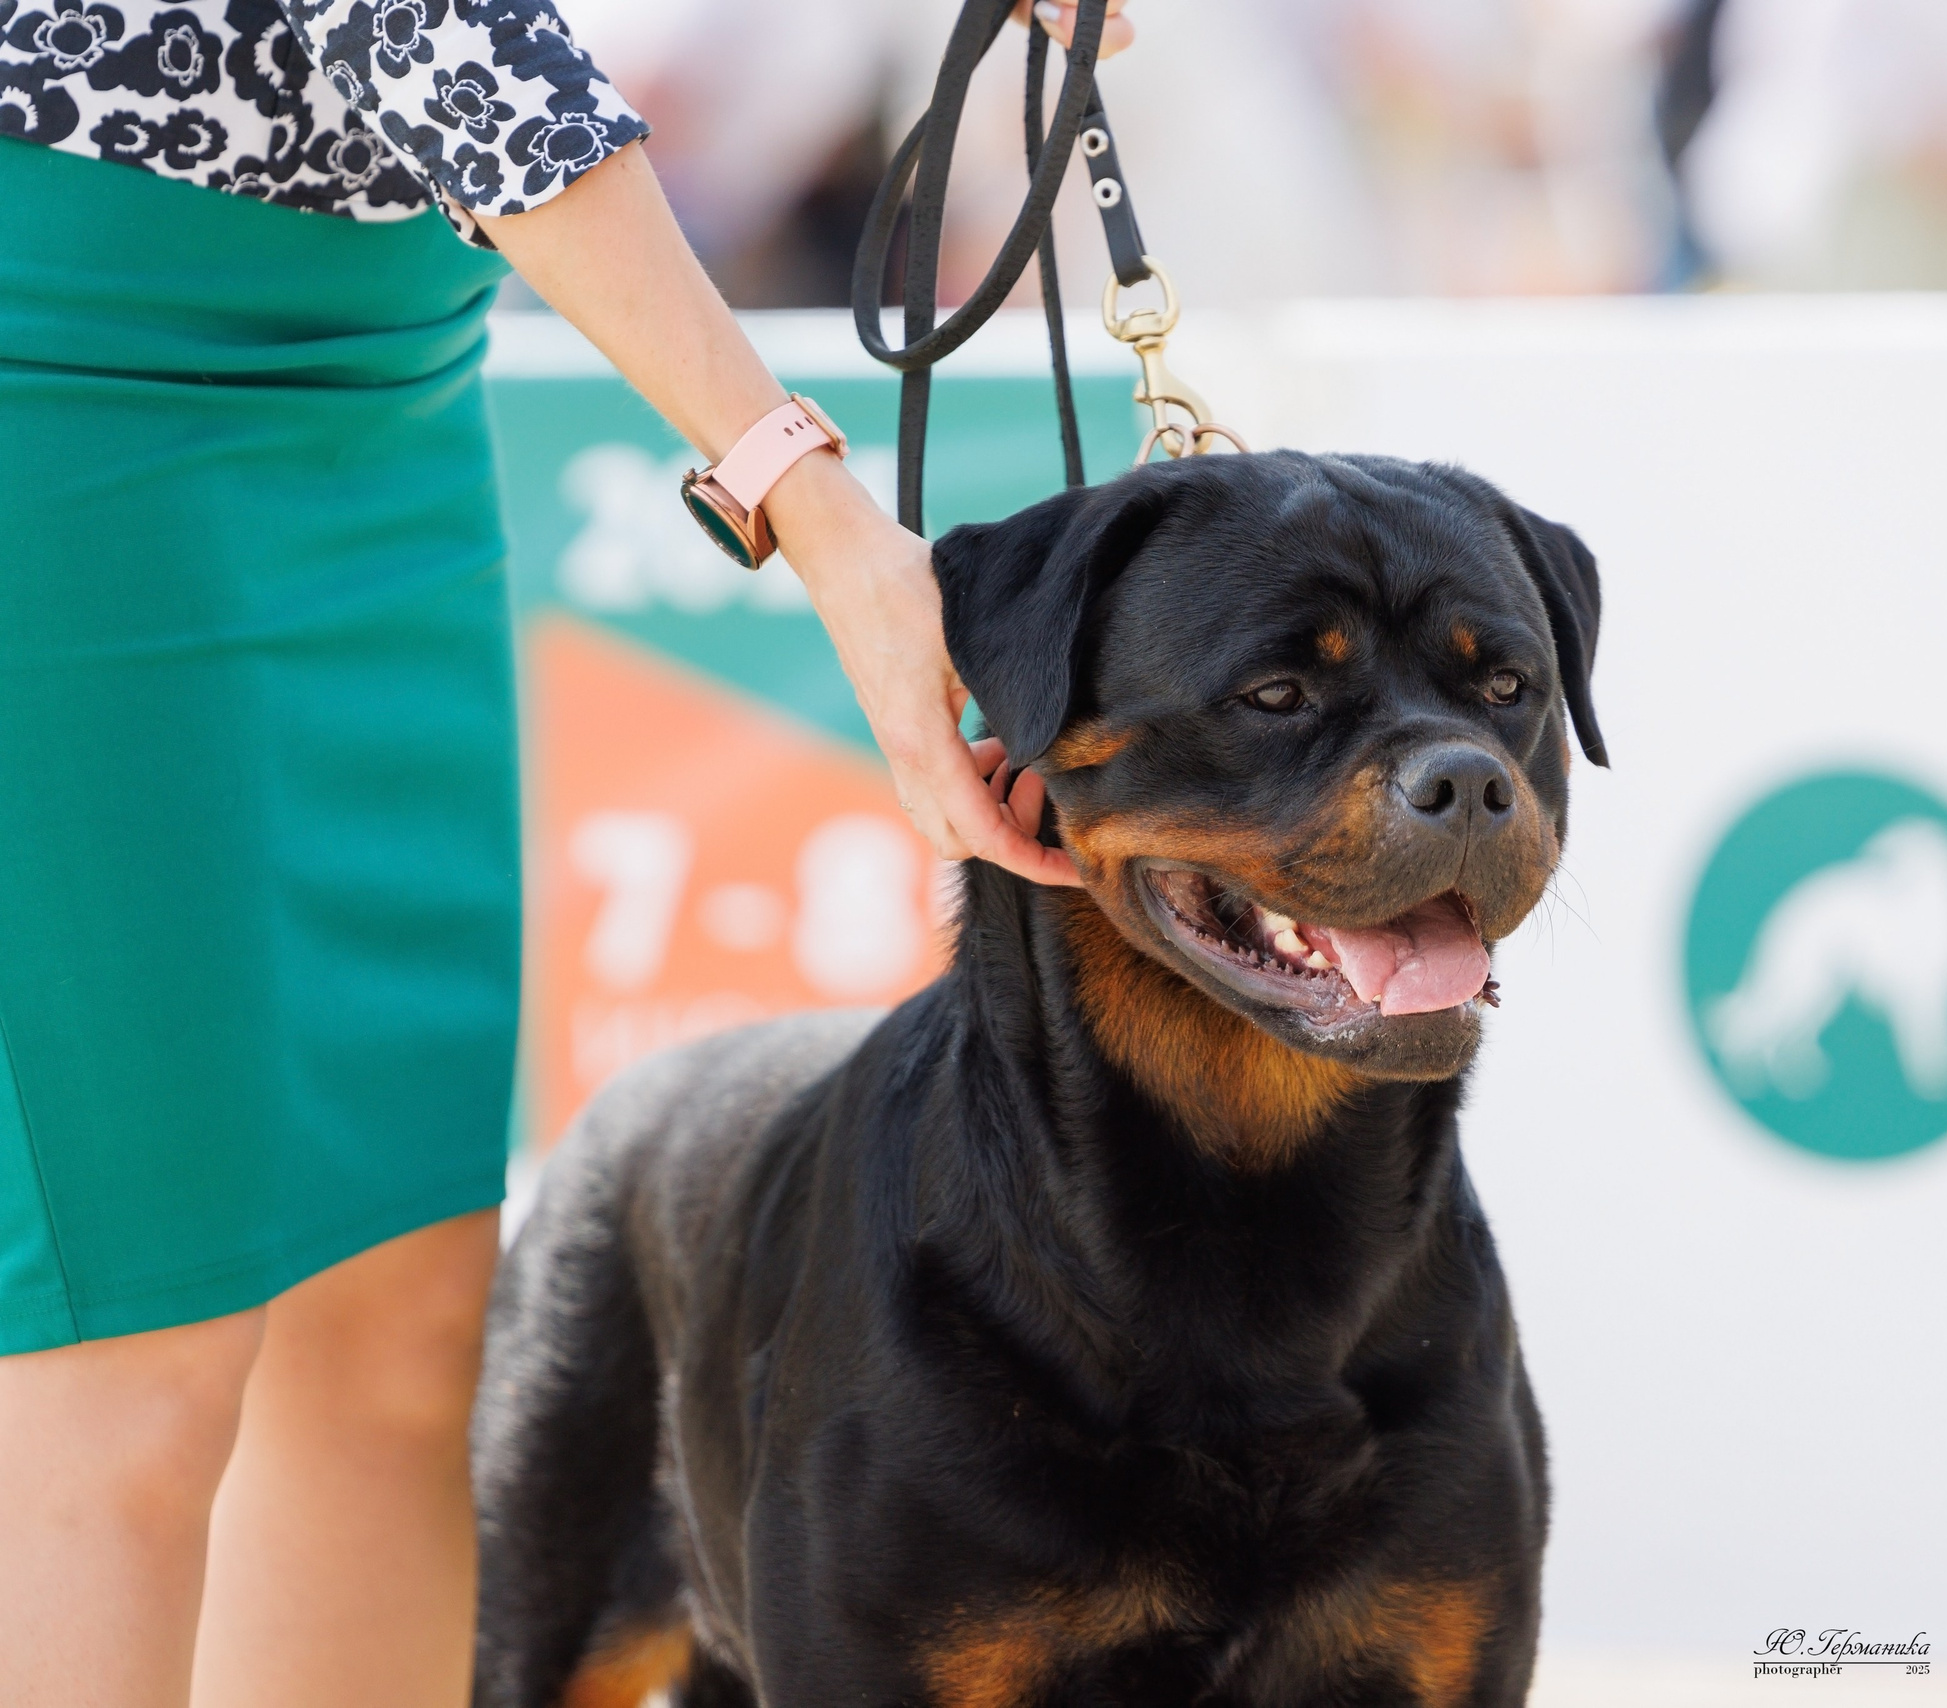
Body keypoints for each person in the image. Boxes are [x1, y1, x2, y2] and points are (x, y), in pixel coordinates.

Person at [0, 1, 1123, 1702]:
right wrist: (809, 506)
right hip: (67, 376)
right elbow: (433, 30)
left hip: (380, 381)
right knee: (126, 1359)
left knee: (395, 1336)